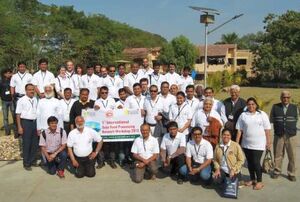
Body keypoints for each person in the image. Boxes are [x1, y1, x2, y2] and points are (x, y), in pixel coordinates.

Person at [236, 97, 271, 190]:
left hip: (259, 144)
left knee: (256, 162)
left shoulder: (262, 114)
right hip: (246, 144)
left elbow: (267, 130)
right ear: (247, 105)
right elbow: (239, 130)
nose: (251, 106)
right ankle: (252, 179)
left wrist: (269, 142)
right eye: (249, 104)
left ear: (256, 105)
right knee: (250, 163)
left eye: (253, 104)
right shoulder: (243, 115)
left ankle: (259, 181)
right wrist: (236, 143)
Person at [270, 91, 298, 181]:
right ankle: (277, 171)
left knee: (292, 155)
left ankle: (291, 173)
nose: (286, 99)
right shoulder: (275, 107)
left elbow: (296, 119)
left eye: (287, 97)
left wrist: (289, 126)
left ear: (290, 98)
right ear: (281, 98)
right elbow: (271, 119)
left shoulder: (295, 107)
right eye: (284, 97)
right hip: (279, 135)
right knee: (278, 154)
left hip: (291, 135)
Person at [15, 83, 38, 170]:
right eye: (29, 89)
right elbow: (18, 114)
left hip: (34, 123)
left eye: (33, 89)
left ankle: (32, 160)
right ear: (26, 91)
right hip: (26, 123)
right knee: (27, 143)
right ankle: (26, 163)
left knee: (34, 143)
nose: (32, 91)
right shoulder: (21, 100)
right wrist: (19, 127)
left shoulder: (35, 99)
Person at [94, 86, 117, 169]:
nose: (104, 94)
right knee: (101, 144)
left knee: (112, 144)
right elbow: (94, 114)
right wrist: (94, 109)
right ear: (100, 93)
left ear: (108, 92)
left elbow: (116, 112)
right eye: (102, 92)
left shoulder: (112, 100)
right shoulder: (97, 101)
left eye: (105, 92)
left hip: (111, 126)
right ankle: (101, 162)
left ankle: (112, 161)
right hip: (101, 126)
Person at [1, 68, 16, 136]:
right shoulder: (1, 81)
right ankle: (7, 131)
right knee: (5, 117)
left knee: (14, 115)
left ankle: (16, 131)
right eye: (7, 73)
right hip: (4, 101)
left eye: (9, 73)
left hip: (11, 101)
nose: (8, 74)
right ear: (4, 74)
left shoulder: (12, 80)